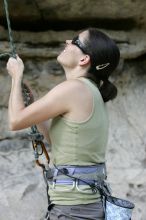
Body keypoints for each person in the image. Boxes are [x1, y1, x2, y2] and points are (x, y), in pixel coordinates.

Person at [6, 28, 120, 220]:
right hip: (84, 206)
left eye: (75, 40)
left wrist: (16, 76)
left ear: (84, 59)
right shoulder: (90, 91)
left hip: (72, 209)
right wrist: (33, 108)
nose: (68, 41)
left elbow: (15, 120)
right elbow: (58, 141)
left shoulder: (74, 89)